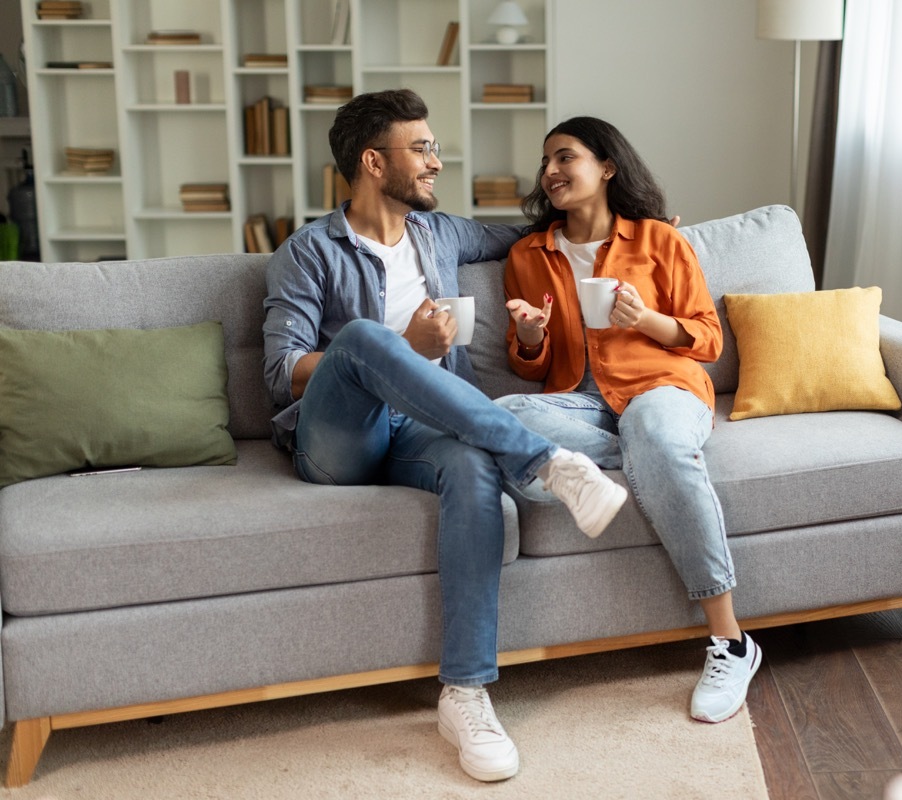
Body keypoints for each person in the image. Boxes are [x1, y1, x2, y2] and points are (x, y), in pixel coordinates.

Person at [261, 90, 629, 783]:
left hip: (425, 432)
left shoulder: (441, 235)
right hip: (339, 441)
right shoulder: (307, 252)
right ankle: (548, 463)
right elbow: (282, 375)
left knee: (470, 466)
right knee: (368, 341)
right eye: (421, 148)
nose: (437, 161)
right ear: (374, 162)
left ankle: (464, 692)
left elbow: (529, 232)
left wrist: (631, 218)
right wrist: (403, 343)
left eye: (434, 146)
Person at [496, 117, 762, 724]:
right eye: (546, 163)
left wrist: (644, 320)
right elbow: (530, 368)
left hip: (661, 386)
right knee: (497, 416)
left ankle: (730, 641)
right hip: (581, 400)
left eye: (565, 157)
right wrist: (530, 337)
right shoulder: (527, 255)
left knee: (654, 430)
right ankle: (645, 453)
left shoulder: (659, 242)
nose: (551, 172)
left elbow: (707, 339)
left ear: (607, 167)